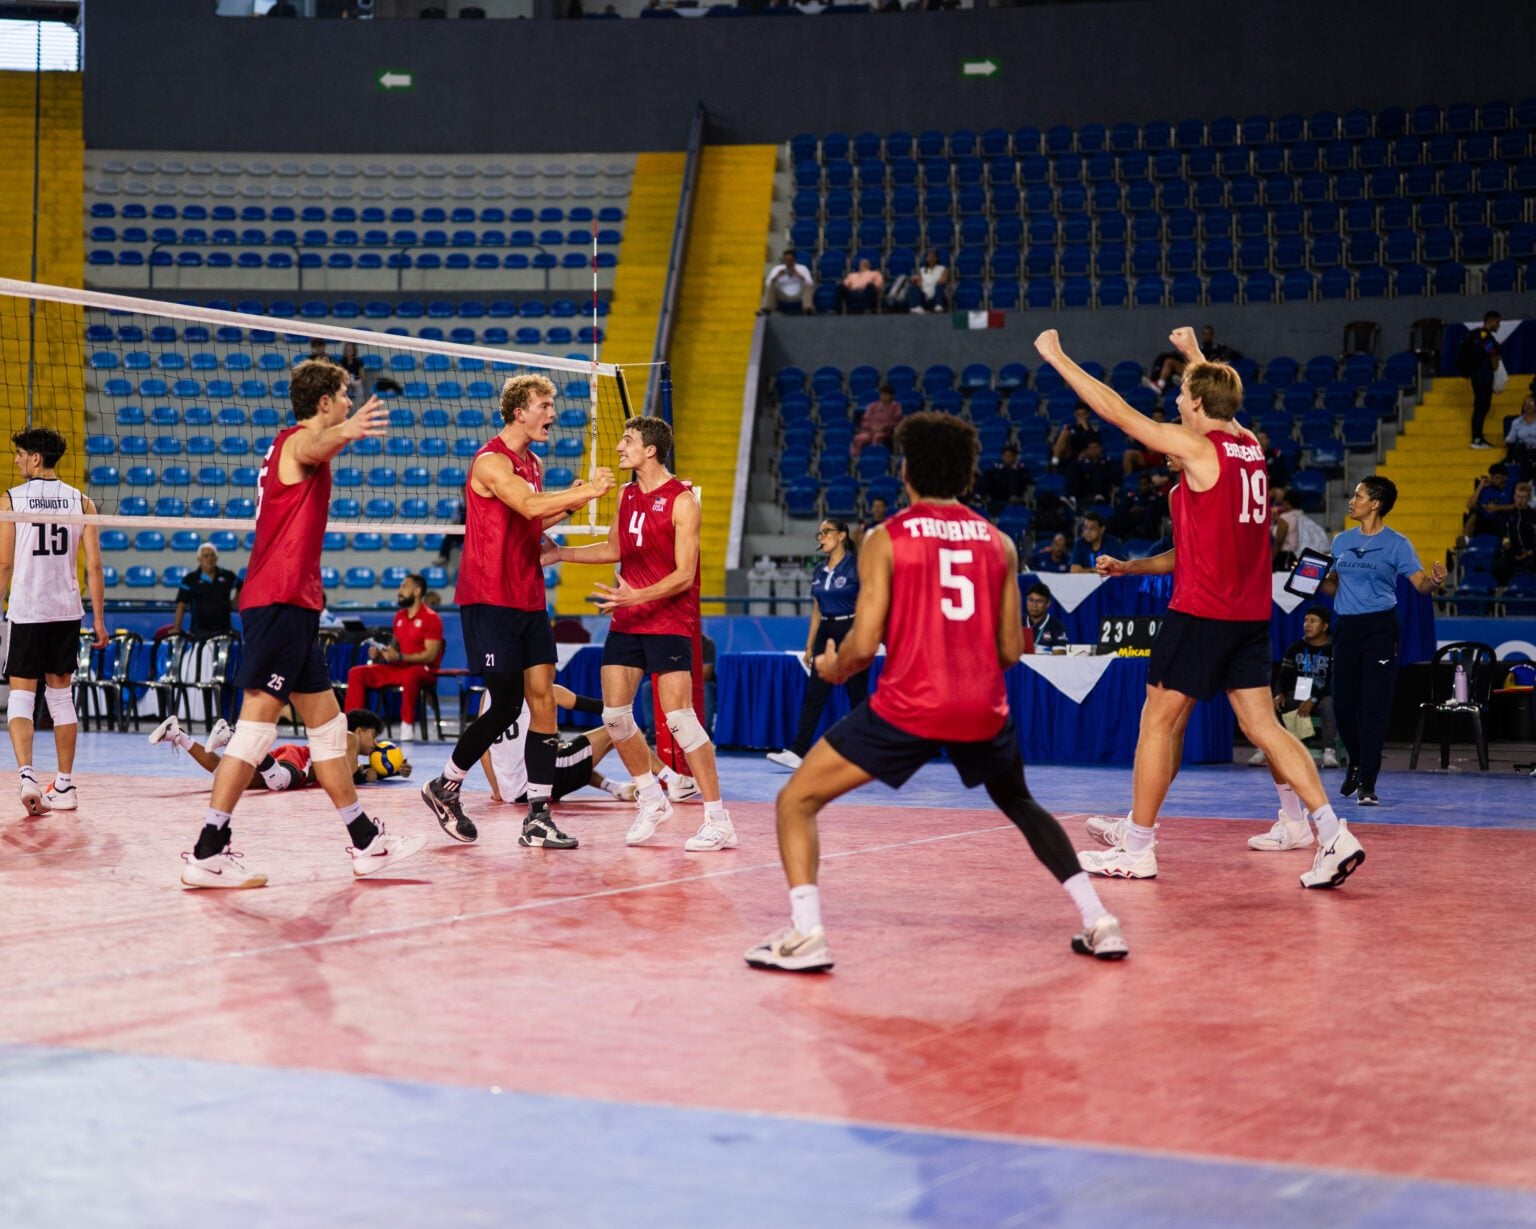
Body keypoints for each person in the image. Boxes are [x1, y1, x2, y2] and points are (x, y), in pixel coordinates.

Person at [746, 412, 1128, 972]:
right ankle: (1100, 920)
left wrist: (831, 666)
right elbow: (1009, 650)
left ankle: (807, 935)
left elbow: (860, 646)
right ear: (968, 476)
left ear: (906, 471)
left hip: (911, 705)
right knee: (1020, 803)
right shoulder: (1000, 544)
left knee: (795, 801)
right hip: (981, 707)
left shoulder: (885, 539)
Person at [1035, 326, 1360, 889]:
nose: (1176, 401)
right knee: (1263, 726)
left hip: (1202, 613)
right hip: (1246, 616)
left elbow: (1117, 413)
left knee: (1157, 722)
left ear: (1197, 405)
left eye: (1183, 394)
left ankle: (1137, 846)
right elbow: (1223, 403)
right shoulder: (1248, 445)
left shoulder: (1199, 447)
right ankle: (1332, 831)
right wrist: (1194, 355)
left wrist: (1058, 358)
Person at [178, 360, 424, 889]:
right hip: (280, 601)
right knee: (257, 727)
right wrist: (347, 432)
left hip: (296, 604)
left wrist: (341, 432)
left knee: (330, 727)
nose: (350, 404)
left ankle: (366, 843)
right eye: (343, 397)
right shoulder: (297, 442)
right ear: (324, 404)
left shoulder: (295, 445)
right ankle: (206, 852)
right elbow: (312, 448)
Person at [419, 374, 614, 850]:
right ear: (518, 411)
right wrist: (587, 493)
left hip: (527, 595)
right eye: (544, 405)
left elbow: (532, 513)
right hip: (489, 598)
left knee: (542, 699)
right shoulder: (490, 462)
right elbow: (525, 504)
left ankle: (539, 817)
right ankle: (445, 784)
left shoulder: (533, 463)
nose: (553, 413)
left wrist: (565, 508)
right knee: (506, 703)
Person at [543, 415, 735, 852]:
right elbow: (614, 549)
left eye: (627, 441)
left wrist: (636, 596)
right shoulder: (628, 494)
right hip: (628, 618)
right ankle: (651, 799)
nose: (619, 448)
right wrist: (561, 554)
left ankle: (718, 819)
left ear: (650, 450)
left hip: (668, 618)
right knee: (615, 716)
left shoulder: (683, 500)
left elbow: (686, 575)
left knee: (681, 719)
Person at [0, 427, 108, 816]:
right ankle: (65, 785)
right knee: (61, 698)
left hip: (29, 609)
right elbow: (94, 566)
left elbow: (5, 564)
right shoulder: (82, 501)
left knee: (22, 696)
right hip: (66, 611)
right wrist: (98, 619)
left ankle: (27, 776)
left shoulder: (12, 499)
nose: (16, 459)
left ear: (35, 458)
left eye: (19, 454)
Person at [1321, 476, 1447, 807]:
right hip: (1345, 627)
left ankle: (1367, 781)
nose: (1351, 500)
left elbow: (1419, 585)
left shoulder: (1397, 544)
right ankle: (1358, 760)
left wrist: (1434, 582)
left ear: (1375, 503)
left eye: (1358, 495)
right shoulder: (1340, 541)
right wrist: (1315, 579)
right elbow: (1333, 586)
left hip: (1380, 628)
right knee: (1343, 704)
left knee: (1374, 707)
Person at [767, 518, 867, 770]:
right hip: (826, 630)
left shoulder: (857, 567)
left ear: (842, 535)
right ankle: (797, 751)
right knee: (815, 694)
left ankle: (869, 750)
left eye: (826, 532)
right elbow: (816, 610)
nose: (820, 537)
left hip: (851, 629)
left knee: (856, 693)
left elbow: (870, 602)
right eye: (819, 534)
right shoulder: (819, 569)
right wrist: (810, 645)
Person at [479, 683, 669, 806]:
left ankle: (613, 787)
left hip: (513, 791)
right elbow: (584, 705)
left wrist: (497, 789)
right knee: (617, 727)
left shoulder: (487, 696)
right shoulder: (536, 687)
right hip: (542, 782)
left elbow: (483, 747)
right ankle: (672, 779)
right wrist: (620, 708)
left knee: (566, 752)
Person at [151, 709, 396, 789]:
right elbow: (347, 776)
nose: (374, 744)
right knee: (278, 781)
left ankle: (177, 735)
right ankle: (232, 737)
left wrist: (384, 773)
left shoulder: (344, 740)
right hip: (300, 759)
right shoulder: (350, 736)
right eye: (373, 737)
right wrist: (368, 775)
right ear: (361, 730)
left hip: (291, 756)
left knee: (229, 777)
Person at [342, 572, 443, 742]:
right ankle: (352, 725)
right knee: (357, 673)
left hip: (423, 671)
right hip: (398, 668)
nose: (399, 590)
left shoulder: (432, 618)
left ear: (417, 591)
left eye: (404, 586)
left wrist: (400, 656)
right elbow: (395, 648)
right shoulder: (399, 617)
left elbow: (431, 655)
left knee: (412, 674)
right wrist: (381, 653)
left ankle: (407, 725)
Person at [1250, 605, 1338, 769]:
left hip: (1322, 696)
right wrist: (1279, 693)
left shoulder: (1333, 650)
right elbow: (1283, 676)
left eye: (1313, 621)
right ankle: (1264, 750)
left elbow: (1332, 682)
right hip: (1297, 695)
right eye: (1305, 621)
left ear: (1325, 626)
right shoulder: (1296, 648)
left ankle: (1329, 751)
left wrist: (1313, 699)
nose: (1307, 625)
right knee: (1273, 703)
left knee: (1329, 703)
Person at [173, 544, 240, 638]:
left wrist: (235, 602)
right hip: (199, 632)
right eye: (206, 556)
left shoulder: (227, 576)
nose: (210, 559)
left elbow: (241, 586)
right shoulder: (190, 579)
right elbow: (181, 605)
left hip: (224, 630)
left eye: (212, 555)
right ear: (199, 559)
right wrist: (177, 628)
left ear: (216, 558)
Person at [1458, 310, 1502, 449]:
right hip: (1483, 376)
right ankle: (1476, 439)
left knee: (1481, 407)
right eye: (1498, 322)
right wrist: (1496, 369)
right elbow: (1491, 354)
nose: (1499, 325)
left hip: (1477, 376)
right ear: (1492, 321)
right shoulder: (1484, 336)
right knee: (1481, 407)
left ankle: (1478, 437)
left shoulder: (1475, 335)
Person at [1272, 489, 1331, 570]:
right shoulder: (1306, 519)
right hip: (1299, 558)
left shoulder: (1285, 517)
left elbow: (1279, 540)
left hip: (1286, 557)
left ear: (1286, 502)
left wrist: (1271, 558)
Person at [974, 443, 1031, 515]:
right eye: (1005, 456)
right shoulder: (997, 468)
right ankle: (978, 495)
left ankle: (1013, 496)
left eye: (1010, 456)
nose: (1007, 458)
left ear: (1015, 457)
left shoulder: (1021, 468)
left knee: (1012, 473)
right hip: (998, 492)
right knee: (988, 474)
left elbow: (1028, 479)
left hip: (1014, 493)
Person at [1497, 481, 1536, 584]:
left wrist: (1531, 551)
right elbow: (1503, 536)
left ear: (1528, 499)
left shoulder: (1533, 516)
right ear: (1514, 496)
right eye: (1518, 496)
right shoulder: (1506, 515)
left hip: (1531, 553)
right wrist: (1508, 548)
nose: (1520, 500)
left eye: (1523, 497)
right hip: (1512, 553)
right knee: (1501, 565)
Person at [1464, 463, 1515, 540]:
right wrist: (1480, 486)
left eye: (1498, 478)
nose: (1494, 480)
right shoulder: (1486, 488)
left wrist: (1498, 508)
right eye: (1493, 478)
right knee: (1474, 515)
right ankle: (1464, 544)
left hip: (1501, 519)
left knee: (1505, 519)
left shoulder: (1512, 488)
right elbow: (1469, 506)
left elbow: (1517, 506)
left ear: (1505, 477)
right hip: (1484, 519)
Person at [759, 248, 814, 315]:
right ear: (784, 260)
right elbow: (768, 283)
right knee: (771, 284)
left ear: (794, 260)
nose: (789, 262)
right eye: (787, 260)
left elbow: (811, 283)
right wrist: (777, 276)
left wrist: (799, 276)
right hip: (783, 295)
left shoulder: (802, 268)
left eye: (791, 260)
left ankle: (808, 309)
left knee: (808, 285)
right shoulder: (777, 268)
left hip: (798, 294)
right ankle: (766, 309)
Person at [851, 385, 901, 459]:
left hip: (885, 431)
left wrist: (884, 427)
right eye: (882, 394)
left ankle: (874, 457)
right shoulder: (873, 406)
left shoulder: (896, 406)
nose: (883, 396)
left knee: (877, 437)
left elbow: (896, 421)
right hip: (869, 431)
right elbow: (865, 420)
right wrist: (871, 427)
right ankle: (857, 458)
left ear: (891, 395)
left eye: (886, 395)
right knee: (858, 438)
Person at [1023, 582, 1069, 653]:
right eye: (1031, 600)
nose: (1034, 605)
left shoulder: (1057, 626)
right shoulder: (1016, 623)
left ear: (1048, 604)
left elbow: (1060, 654)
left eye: (1039, 601)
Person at [906, 249, 949, 313]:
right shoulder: (922, 270)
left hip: (936, 295)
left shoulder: (942, 268)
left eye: (932, 256)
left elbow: (943, 280)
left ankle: (938, 305)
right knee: (913, 287)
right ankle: (917, 307)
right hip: (925, 296)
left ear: (936, 258)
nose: (930, 258)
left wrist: (931, 281)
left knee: (939, 286)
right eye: (928, 256)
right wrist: (915, 280)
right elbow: (919, 283)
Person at [1504, 387, 1536, 469]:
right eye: (1526, 404)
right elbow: (1510, 439)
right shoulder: (1516, 422)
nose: (1528, 406)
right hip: (1523, 451)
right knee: (1520, 449)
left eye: (1531, 404)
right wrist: (1509, 440)